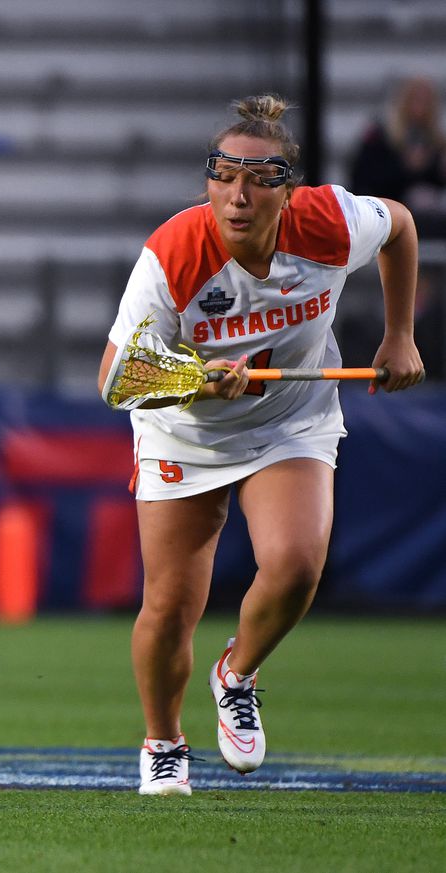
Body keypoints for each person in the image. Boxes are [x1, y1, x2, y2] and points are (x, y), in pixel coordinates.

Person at [99, 95, 424, 796]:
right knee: (170, 607)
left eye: (259, 178)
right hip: (183, 432)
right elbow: (114, 379)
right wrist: (194, 380)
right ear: (209, 180)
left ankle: (236, 671)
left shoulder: (330, 222)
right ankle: (163, 742)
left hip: (289, 422)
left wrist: (399, 333)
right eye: (224, 175)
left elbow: (399, 225)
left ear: (288, 189)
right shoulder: (174, 254)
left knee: (297, 563)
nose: (238, 195)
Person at [349, 75, 446, 236]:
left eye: (426, 101)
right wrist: (405, 167)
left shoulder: (436, 142)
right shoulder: (379, 137)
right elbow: (363, 181)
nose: (420, 108)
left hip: (428, 225)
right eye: (415, 100)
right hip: (387, 220)